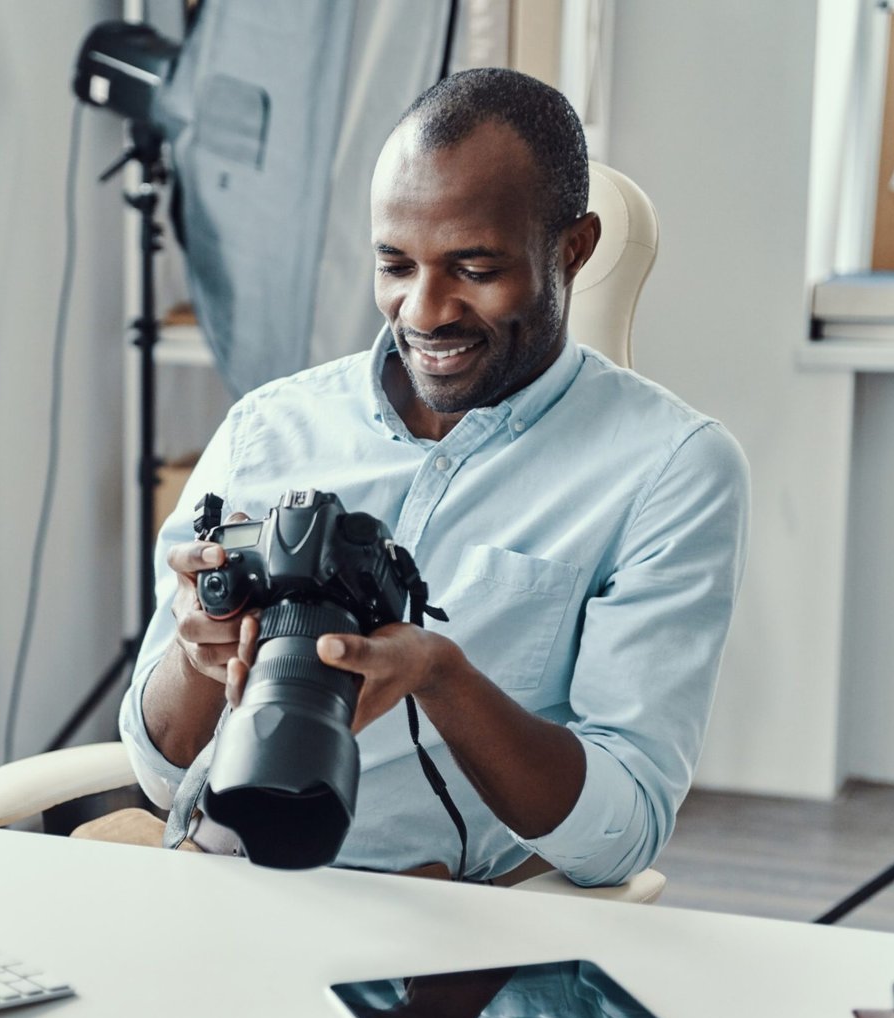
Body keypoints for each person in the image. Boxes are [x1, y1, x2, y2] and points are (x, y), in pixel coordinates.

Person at [114, 67, 750, 886]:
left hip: (444, 919)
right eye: (395, 265)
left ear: (574, 248)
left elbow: (622, 832)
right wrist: (196, 657)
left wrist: (440, 677)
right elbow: (160, 772)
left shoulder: (669, 469)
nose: (424, 310)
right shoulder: (268, 429)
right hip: (216, 877)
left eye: (474, 269)